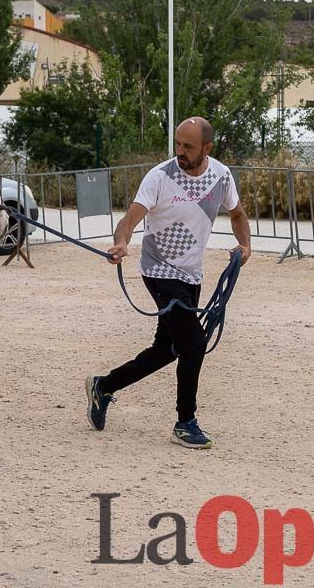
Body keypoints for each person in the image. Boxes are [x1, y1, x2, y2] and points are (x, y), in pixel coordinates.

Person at [86, 117, 251, 449]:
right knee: (193, 342)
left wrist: (245, 246)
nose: (180, 152)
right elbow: (130, 217)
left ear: (207, 148)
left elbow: (237, 214)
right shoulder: (160, 176)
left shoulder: (220, 176)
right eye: (177, 144)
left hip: (191, 273)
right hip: (159, 271)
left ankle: (103, 386)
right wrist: (121, 241)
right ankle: (185, 422)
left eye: (188, 147)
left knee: (167, 349)